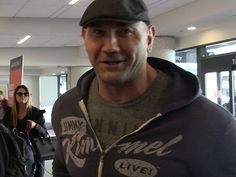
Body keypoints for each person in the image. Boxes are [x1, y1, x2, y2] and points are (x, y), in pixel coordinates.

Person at [51, 0, 236, 176]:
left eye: (125, 32)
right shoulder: (67, 107)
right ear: (85, 37)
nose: (111, 47)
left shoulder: (212, 125)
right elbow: (62, 168)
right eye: (98, 33)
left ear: (149, 38)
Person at [3, 85, 47, 177]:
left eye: (25, 94)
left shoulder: (36, 113)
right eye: (19, 94)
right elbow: (4, 131)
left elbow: (44, 134)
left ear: (29, 96)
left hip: (35, 154)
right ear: (15, 96)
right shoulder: (10, 113)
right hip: (16, 155)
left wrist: (35, 126)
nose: (22, 96)